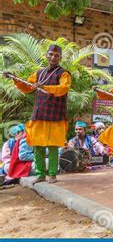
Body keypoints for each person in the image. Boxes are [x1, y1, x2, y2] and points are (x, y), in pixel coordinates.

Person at [3, 45, 71, 184]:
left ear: (60, 58)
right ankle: (40, 174)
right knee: (38, 145)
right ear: (46, 55)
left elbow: (63, 89)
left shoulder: (64, 74)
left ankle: (52, 174)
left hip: (55, 115)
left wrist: (44, 87)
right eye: (51, 54)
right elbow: (27, 87)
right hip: (39, 114)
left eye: (56, 55)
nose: (53, 57)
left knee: (53, 145)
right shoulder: (39, 73)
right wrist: (15, 79)